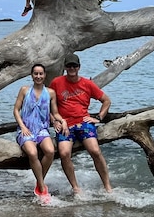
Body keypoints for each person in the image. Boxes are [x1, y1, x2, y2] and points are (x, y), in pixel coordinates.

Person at [50, 53, 113, 193]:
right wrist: (54, 121)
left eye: (74, 66)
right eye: (69, 66)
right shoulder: (56, 83)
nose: (72, 68)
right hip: (65, 124)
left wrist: (99, 117)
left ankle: (107, 186)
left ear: (79, 67)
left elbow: (106, 101)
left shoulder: (87, 84)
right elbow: (47, 104)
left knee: (95, 151)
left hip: (84, 123)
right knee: (64, 153)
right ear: (65, 67)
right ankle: (76, 187)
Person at [12, 63, 62, 199]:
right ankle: (42, 187)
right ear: (32, 75)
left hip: (42, 130)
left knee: (50, 151)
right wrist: (22, 126)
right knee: (33, 153)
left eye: (41, 74)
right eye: (36, 74)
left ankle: (39, 183)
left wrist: (61, 121)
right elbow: (16, 110)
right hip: (26, 130)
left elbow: (55, 113)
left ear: (45, 75)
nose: (38, 76)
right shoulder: (24, 90)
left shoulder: (50, 93)